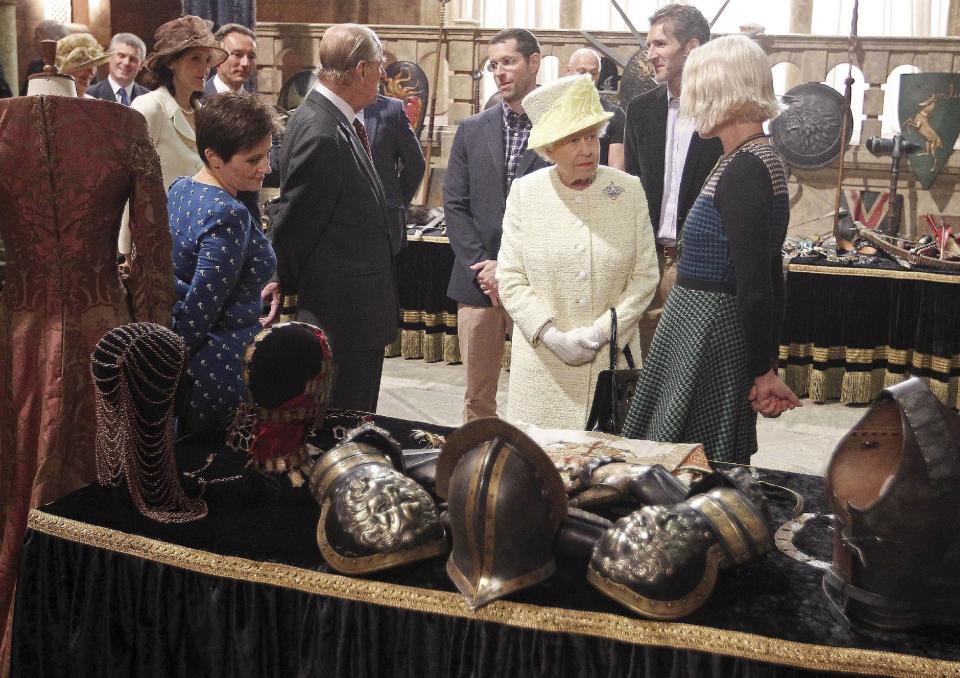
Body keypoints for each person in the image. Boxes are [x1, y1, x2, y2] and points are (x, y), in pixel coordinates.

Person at [0, 85, 173, 666]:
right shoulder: (123, 127)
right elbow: (152, 247)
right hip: (103, 330)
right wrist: (155, 343)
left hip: (17, 331)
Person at [622, 35, 801, 463]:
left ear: (721, 91)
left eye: (695, 87)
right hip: (701, 330)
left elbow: (757, 283)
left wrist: (762, 371)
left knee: (683, 464)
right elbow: (768, 274)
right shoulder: (746, 157)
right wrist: (766, 364)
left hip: (708, 335)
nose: (687, 100)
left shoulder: (748, 166)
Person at [497, 74, 659, 429]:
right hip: (541, 367)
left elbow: (646, 275)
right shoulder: (526, 192)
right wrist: (549, 334)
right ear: (549, 148)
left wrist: (601, 333)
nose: (587, 149)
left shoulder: (627, 190)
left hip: (609, 364)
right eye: (573, 140)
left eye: (591, 136)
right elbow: (509, 277)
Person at [272, 24, 397, 413]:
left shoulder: (330, 117)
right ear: (361, 70)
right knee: (344, 422)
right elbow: (297, 218)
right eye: (379, 66)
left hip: (351, 310)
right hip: (343, 315)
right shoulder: (323, 130)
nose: (383, 75)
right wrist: (276, 274)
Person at [443, 28, 550, 422]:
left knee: (541, 393)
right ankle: (479, 473)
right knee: (478, 398)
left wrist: (509, 268)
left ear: (534, 62)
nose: (500, 72)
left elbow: (567, 206)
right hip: (477, 282)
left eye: (509, 61)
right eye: (493, 65)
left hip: (539, 280)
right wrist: (485, 267)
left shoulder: (560, 129)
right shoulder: (472, 130)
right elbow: (455, 204)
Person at [168, 91, 280, 433]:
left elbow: (187, 276)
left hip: (200, 361)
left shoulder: (181, 188)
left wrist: (249, 292)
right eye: (252, 160)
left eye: (267, 154)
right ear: (214, 157)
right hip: (220, 370)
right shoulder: (226, 213)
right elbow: (200, 311)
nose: (266, 167)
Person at [624, 4, 723, 357]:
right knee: (643, 378)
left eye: (660, 45)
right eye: (649, 45)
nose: (650, 54)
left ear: (692, 47)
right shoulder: (640, 109)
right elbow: (632, 188)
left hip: (700, 267)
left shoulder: (724, 112)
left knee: (688, 380)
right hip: (647, 265)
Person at [118, 16, 227, 257]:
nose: (204, 68)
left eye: (207, 60)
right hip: (156, 243)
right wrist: (125, 251)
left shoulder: (202, 113)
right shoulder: (149, 107)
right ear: (171, 63)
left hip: (196, 240)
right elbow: (128, 182)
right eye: (195, 59)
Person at [361, 93, 426, 253]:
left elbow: (415, 164)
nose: (382, 73)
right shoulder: (323, 110)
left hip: (382, 228)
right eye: (377, 67)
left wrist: (394, 202)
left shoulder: (391, 110)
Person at [565, 48, 625, 170]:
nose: (588, 78)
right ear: (568, 71)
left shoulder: (614, 115)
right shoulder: (553, 111)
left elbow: (617, 171)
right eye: (582, 72)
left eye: (593, 73)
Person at [87, 32, 149, 105]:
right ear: (109, 57)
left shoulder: (149, 99)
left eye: (133, 59)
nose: (126, 63)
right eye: (121, 56)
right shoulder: (89, 95)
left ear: (141, 65)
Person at [205, 23, 258, 98]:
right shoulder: (194, 102)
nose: (245, 63)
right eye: (237, 55)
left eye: (251, 57)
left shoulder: (256, 107)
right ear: (217, 57)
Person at [55, 32, 111, 98]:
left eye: (94, 65)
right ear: (65, 71)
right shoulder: (49, 102)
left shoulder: (95, 105)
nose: (92, 72)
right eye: (85, 65)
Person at [19, 19, 67, 95]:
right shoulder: (34, 66)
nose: (33, 40)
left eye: (37, 36)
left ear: (54, 39)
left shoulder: (69, 64)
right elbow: (24, 96)